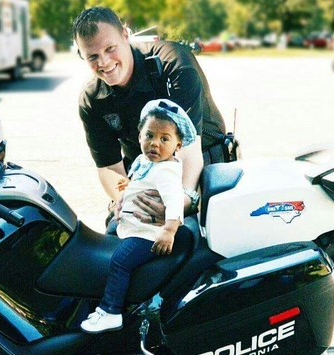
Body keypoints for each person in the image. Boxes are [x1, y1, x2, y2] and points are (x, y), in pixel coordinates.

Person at [72, 6, 226, 227]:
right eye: (92, 56)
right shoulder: (92, 99)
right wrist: (127, 197)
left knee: (190, 234)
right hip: (144, 170)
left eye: (110, 48)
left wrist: (178, 205)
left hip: (200, 160)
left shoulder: (174, 64)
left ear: (125, 34)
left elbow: (189, 150)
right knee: (118, 231)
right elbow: (109, 167)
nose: (104, 62)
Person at [81, 99, 195, 333]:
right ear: (139, 135)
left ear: (178, 145)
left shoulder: (165, 171)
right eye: (149, 135)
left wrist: (169, 231)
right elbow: (136, 183)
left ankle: (111, 311)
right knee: (105, 243)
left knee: (120, 261)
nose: (155, 143)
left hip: (149, 233)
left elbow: (175, 202)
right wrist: (122, 200)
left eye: (164, 139)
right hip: (131, 224)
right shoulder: (145, 161)